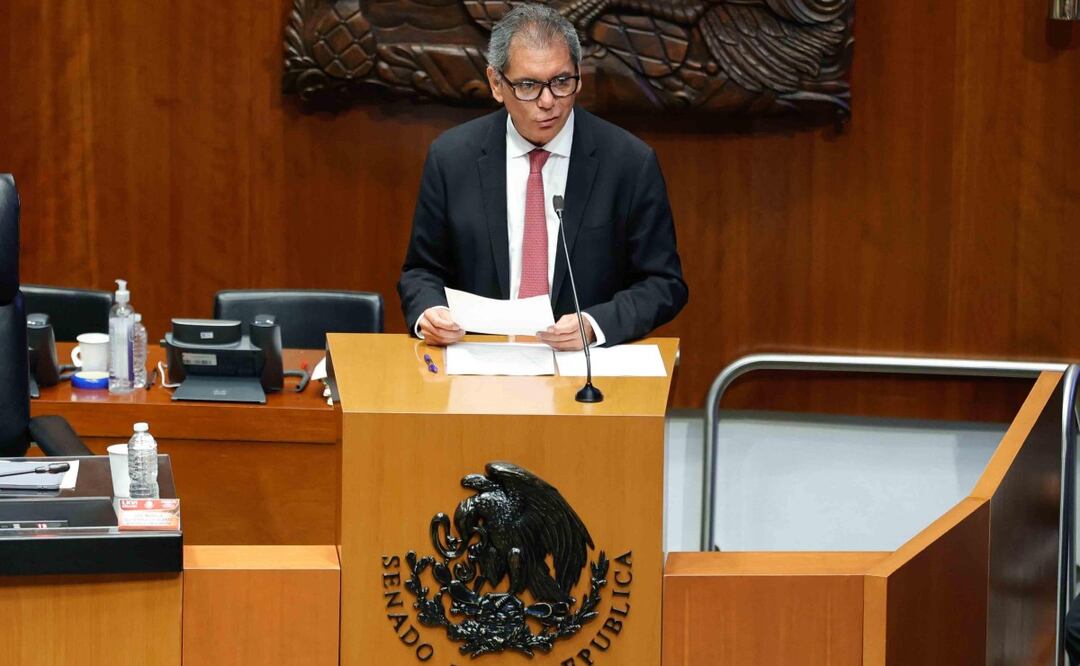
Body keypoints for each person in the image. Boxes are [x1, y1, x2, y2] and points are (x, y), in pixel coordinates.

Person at [397, 3, 687, 351]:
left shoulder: (628, 163)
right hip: (479, 362)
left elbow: (663, 283)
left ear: (579, 74)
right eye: (528, 85)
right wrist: (430, 312)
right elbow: (421, 271)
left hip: (585, 368)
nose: (548, 101)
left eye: (562, 81)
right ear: (496, 83)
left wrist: (595, 325)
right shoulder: (452, 158)